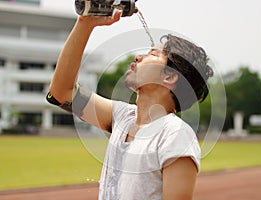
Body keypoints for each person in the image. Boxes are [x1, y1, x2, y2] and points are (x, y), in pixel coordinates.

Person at [47, 11, 213, 200]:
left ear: (169, 77)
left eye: (153, 53)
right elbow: (61, 93)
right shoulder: (122, 117)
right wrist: (85, 23)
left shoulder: (175, 135)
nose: (138, 57)